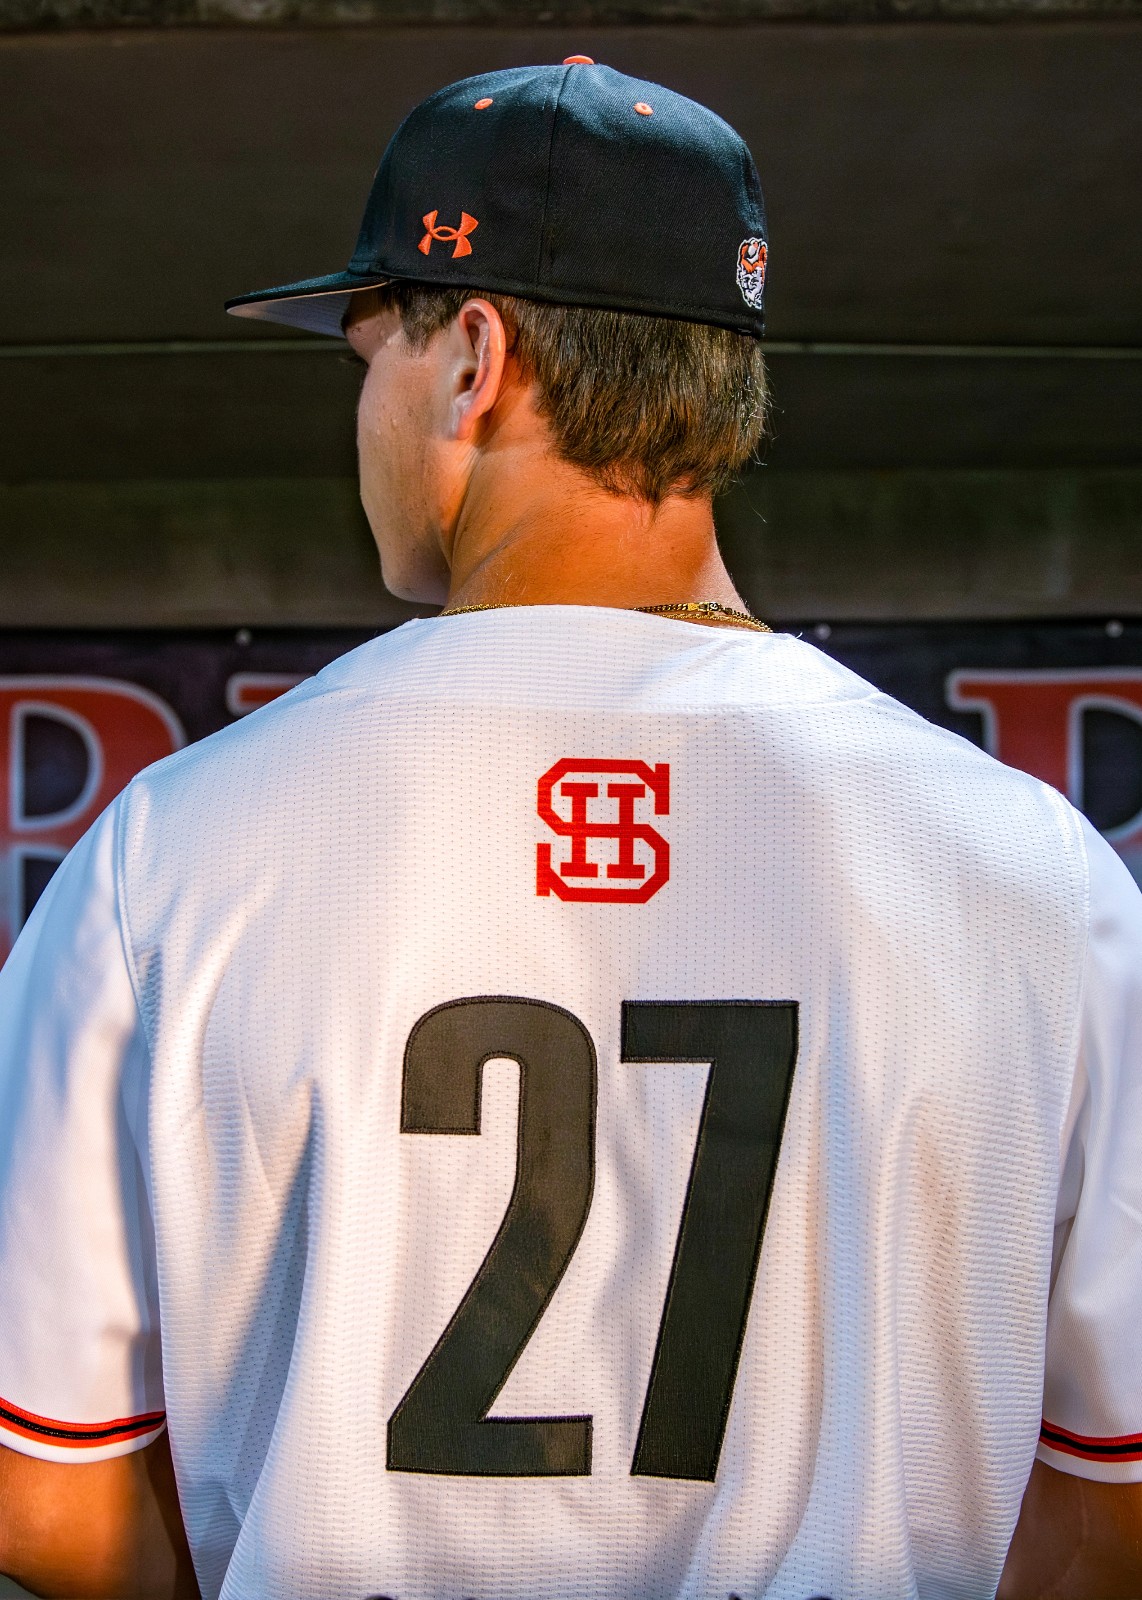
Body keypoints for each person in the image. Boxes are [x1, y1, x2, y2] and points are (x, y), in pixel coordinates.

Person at [0, 57, 1139, 1600]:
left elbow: (47, 1498)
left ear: (472, 357)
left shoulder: (172, 852)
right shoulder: (1031, 871)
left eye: (369, 354)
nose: (363, 414)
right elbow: (1108, 1509)